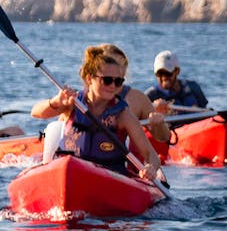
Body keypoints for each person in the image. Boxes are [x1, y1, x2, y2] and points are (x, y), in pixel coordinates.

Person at [31, 45, 162, 182]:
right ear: (89, 79)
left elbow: (151, 155)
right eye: (107, 80)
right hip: (71, 172)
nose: (113, 86)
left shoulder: (123, 115)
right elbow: (36, 112)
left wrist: (150, 167)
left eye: (118, 82)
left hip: (109, 178)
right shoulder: (73, 103)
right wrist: (56, 101)